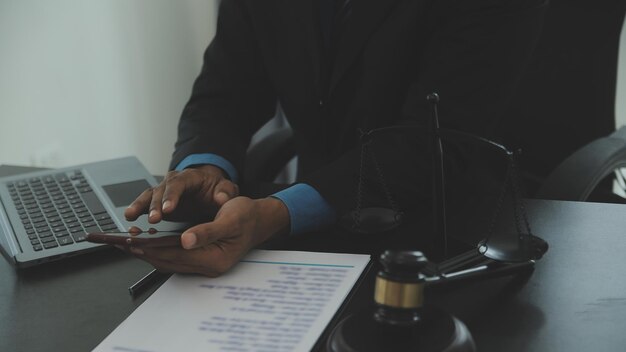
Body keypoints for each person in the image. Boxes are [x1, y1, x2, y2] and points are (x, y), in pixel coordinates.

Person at [123, 0, 547, 277]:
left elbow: (433, 142)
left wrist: (275, 214)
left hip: (455, 239)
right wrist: (204, 167)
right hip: (313, 236)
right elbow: (227, 88)